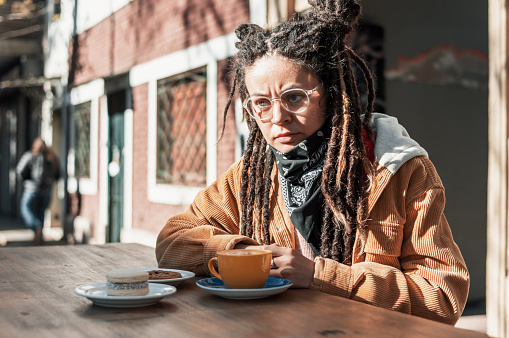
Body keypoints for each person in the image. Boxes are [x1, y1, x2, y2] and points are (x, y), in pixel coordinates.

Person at [155, 0, 469, 325]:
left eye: (294, 97)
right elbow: (173, 240)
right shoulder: (251, 175)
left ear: (330, 93)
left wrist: (321, 276)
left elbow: (442, 297)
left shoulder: (399, 171)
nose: (278, 118)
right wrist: (244, 254)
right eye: (261, 103)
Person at [16, 137, 61, 245]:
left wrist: (27, 181)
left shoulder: (30, 155)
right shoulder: (52, 158)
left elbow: (19, 171)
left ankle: (36, 228)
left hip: (32, 189)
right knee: (41, 212)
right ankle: (39, 237)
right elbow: (59, 174)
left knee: (24, 208)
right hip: (47, 190)